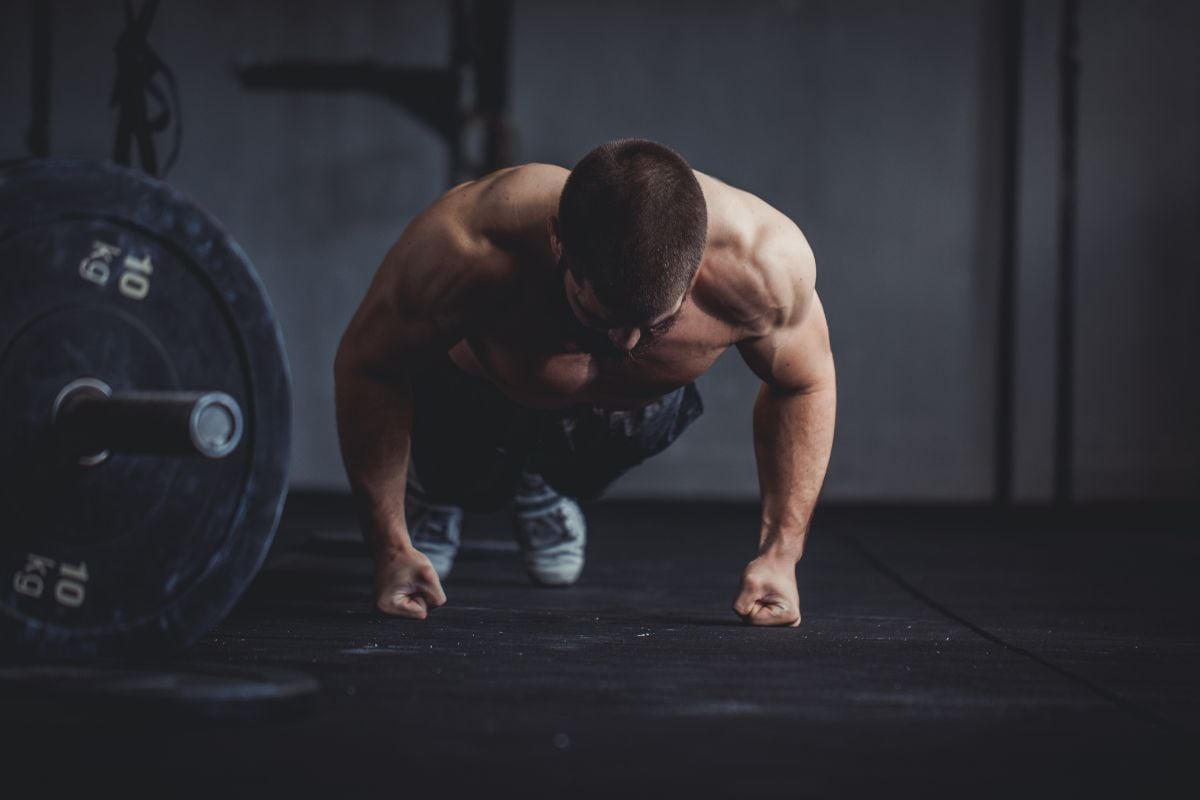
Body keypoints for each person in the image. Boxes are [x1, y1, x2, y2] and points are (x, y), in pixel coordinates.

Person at [334, 138, 836, 627]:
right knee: (465, 478)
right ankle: (436, 493)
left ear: (698, 262)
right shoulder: (468, 243)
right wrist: (390, 547)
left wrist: (780, 557)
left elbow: (805, 382)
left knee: (603, 450)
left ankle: (545, 483)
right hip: (482, 398)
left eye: (656, 324)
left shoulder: (763, 262)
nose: (625, 341)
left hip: (621, 415)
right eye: (601, 316)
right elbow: (370, 365)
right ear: (559, 241)